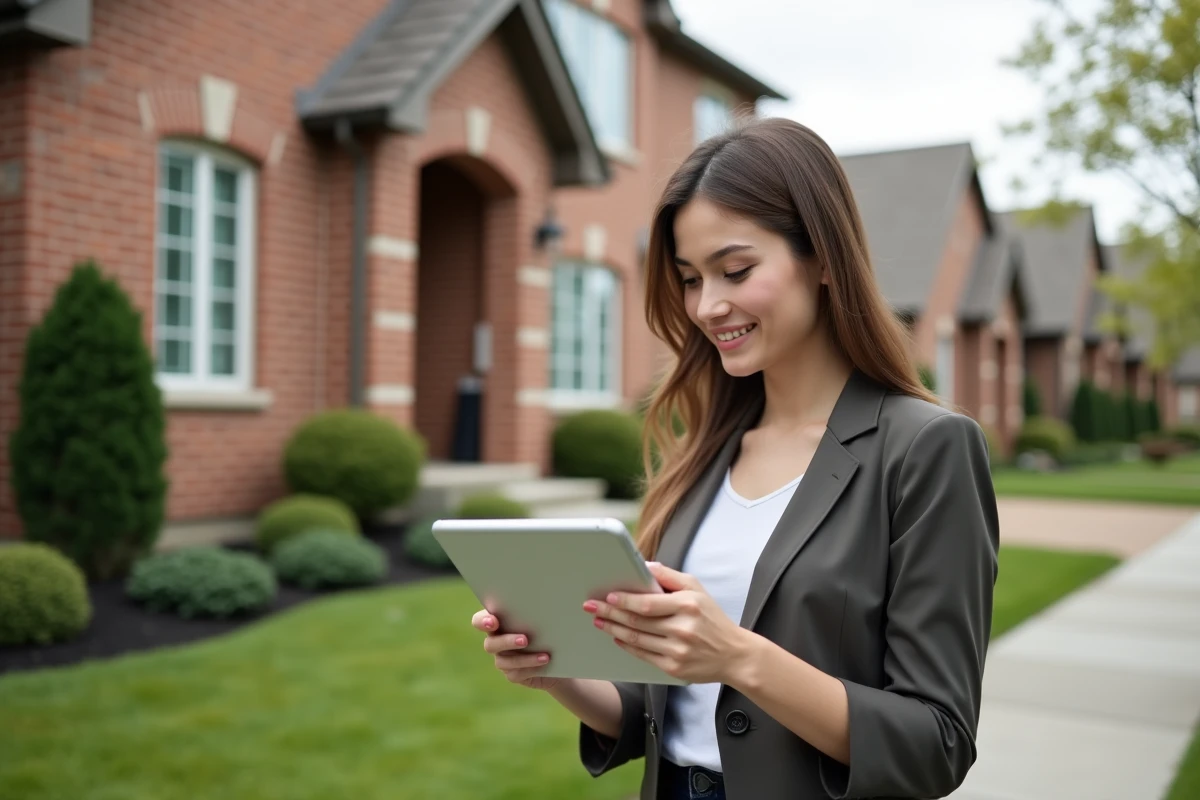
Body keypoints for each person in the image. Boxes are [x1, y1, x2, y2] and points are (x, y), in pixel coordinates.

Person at [471, 117, 999, 799]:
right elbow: (660, 709)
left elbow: (937, 742)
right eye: (691, 278)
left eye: (736, 269)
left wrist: (740, 658)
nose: (707, 305)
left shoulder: (926, 448)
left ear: (825, 258)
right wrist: (559, 675)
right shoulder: (705, 451)